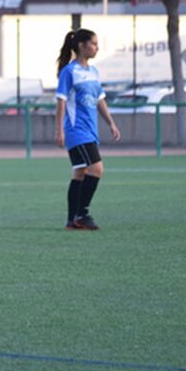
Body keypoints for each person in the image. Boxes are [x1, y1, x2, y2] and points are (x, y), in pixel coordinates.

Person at [54, 28, 121, 230]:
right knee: (96, 168)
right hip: (76, 130)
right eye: (93, 43)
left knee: (80, 172)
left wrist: (111, 122)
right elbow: (61, 101)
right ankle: (82, 214)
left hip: (91, 130)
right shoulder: (69, 71)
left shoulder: (93, 72)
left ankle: (71, 220)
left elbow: (100, 100)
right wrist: (59, 130)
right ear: (82, 46)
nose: (96, 48)